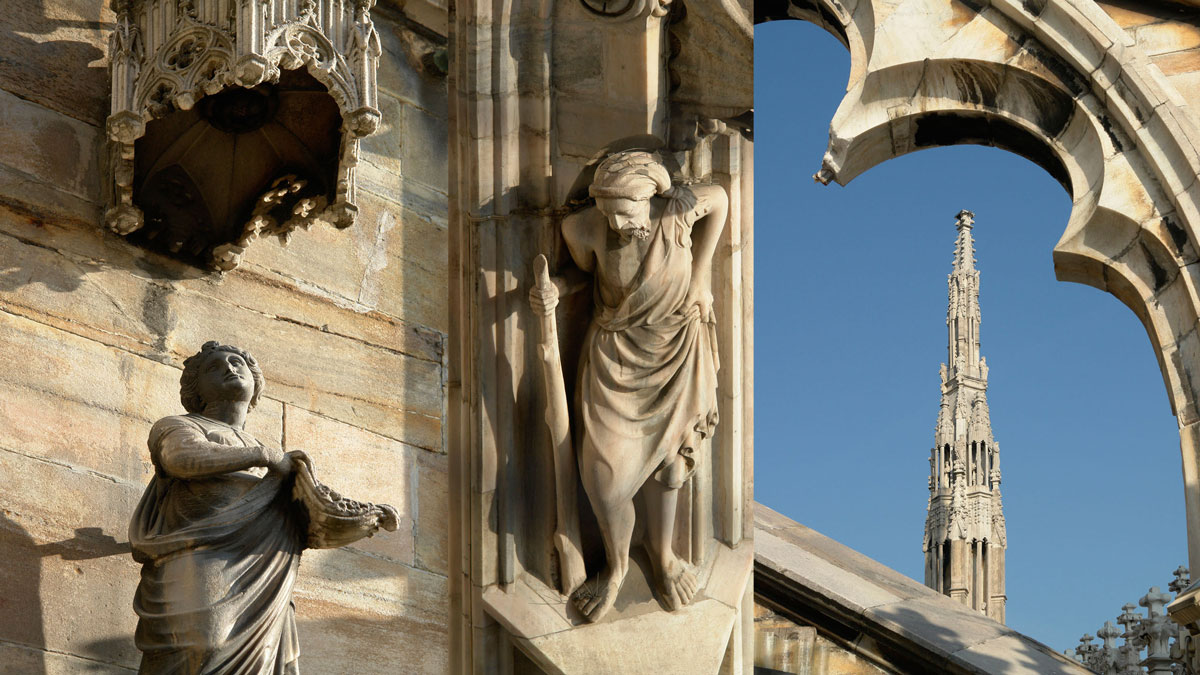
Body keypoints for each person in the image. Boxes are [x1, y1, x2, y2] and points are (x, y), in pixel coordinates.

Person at [531, 150, 728, 623]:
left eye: (628, 212)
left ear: (651, 197)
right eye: (610, 213)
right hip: (615, 358)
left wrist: (701, 278)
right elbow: (583, 274)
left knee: (670, 465)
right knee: (602, 479)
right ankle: (617, 566)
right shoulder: (583, 229)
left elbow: (721, 199)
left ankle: (662, 557)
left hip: (677, 347)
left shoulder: (679, 209)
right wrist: (556, 287)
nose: (619, 223)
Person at [129, 341, 303, 674]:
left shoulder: (263, 448)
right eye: (214, 367)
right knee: (206, 643)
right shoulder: (180, 425)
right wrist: (264, 457)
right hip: (201, 551)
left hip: (264, 563)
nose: (229, 368)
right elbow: (182, 459)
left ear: (255, 384)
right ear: (197, 388)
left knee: (267, 658)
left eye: (237, 362)